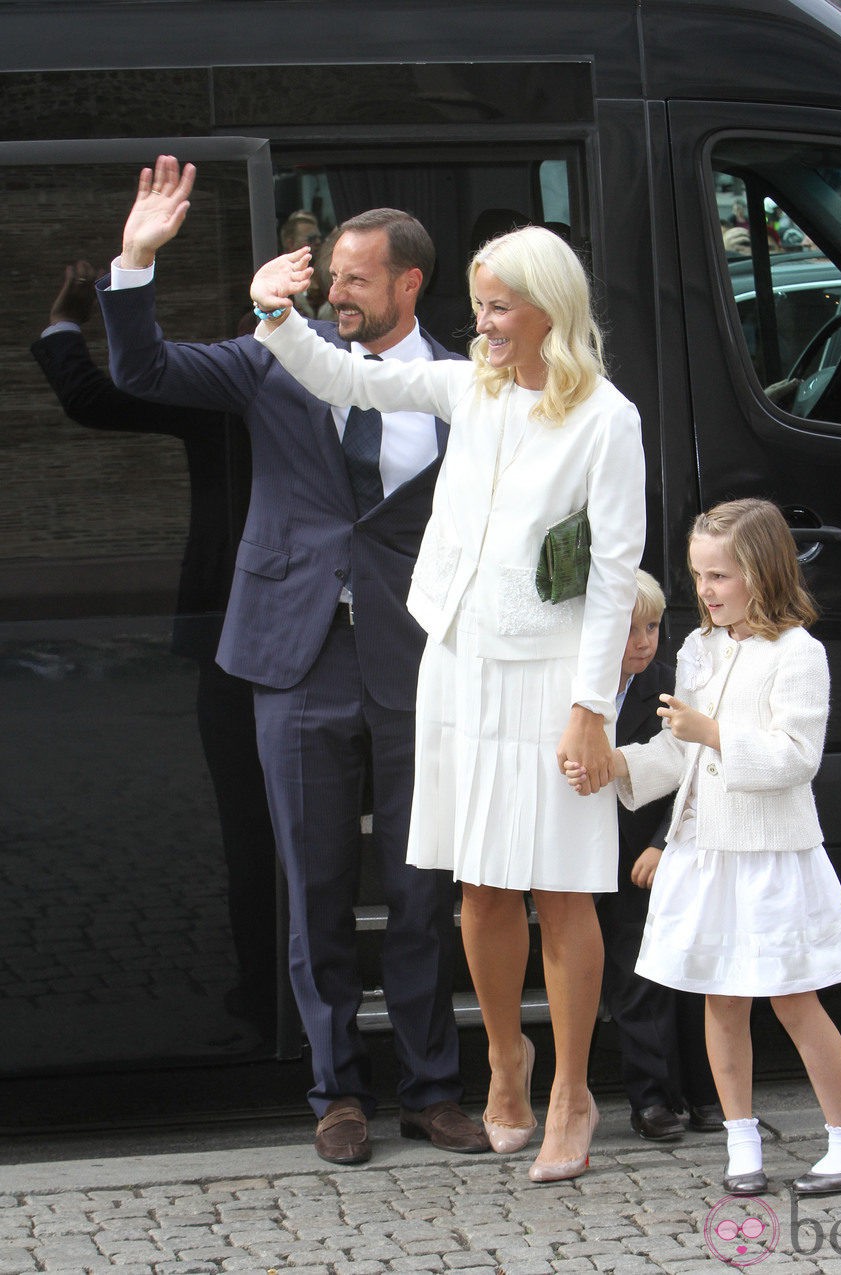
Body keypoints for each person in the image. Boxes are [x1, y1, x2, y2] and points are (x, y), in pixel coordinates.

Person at [96, 155, 488, 1165]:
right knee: (312, 888)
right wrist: (136, 260)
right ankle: (334, 1093)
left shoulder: (461, 385)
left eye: (354, 279)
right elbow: (143, 373)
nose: (333, 293)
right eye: (329, 277)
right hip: (293, 657)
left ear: (407, 284)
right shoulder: (279, 351)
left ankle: (431, 1089)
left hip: (414, 664)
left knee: (416, 893)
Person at [248, 219, 646, 1182]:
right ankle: (505, 1059)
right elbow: (348, 378)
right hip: (457, 669)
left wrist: (594, 706)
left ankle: (570, 1092)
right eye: (478, 306)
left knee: (561, 885)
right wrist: (275, 313)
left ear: (552, 307)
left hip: (555, 680)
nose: (484, 323)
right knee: (479, 884)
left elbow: (612, 577)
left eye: (499, 306)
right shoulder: (465, 385)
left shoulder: (608, 420)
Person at [567, 498, 841, 1199]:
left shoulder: (800, 654)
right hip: (706, 851)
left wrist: (713, 733)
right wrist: (620, 764)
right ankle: (742, 1144)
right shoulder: (699, 647)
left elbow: (797, 757)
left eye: (719, 575)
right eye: (698, 574)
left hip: (770, 856)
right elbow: (679, 751)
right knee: (721, 1000)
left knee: (795, 999)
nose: (704, 589)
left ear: (762, 571)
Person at [32, 260, 278, 1040]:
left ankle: (264, 986)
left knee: (250, 826)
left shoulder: (228, 394)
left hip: (235, 638)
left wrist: (65, 318)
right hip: (251, 634)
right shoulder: (306, 390)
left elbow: (91, 397)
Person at [596, 570, 722, 1143]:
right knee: (630, 981)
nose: (644, 641)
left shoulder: (670, 688)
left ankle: (691, 1098)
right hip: (592, 859)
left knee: (670, 978)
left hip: (650, 858)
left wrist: (660, 844)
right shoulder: (580, 694)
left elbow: (692, 776)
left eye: (651, 628)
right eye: (627, 631)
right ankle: (654, 1097)